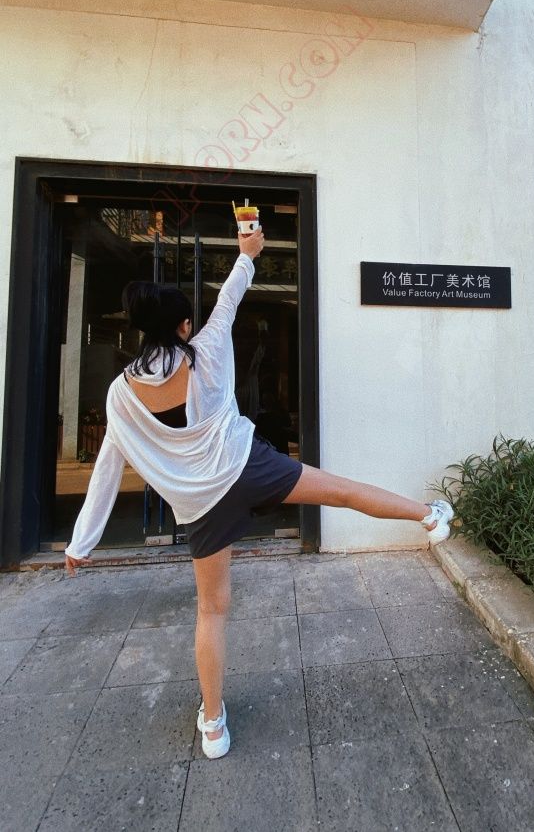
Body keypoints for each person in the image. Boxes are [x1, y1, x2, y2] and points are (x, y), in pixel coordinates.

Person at [64, 226, 454, 759]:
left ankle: (213, 725)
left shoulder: (120, 395)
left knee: (212, 610)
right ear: (183, 326)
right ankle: (429, 516)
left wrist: (81, 542)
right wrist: (247, 251)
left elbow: (108, 466)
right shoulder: (204, 351)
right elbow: (229, 298)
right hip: (249, 467)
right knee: (341, 491)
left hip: (201, 506)